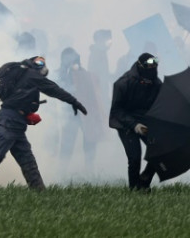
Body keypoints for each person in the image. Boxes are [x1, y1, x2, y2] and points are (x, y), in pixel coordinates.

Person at [0, 55, 88, 191]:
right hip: (9, 120)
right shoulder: (32, 76)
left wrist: (27, 111)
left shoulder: (21, 75)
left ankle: (40, 192)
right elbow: (54, 89)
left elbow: (21, 98)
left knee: (27, 159)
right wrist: (74, 101)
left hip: (15, 121)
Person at [109, 52, 162, 191]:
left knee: (160, 150)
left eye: (155, 67)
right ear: (141, 67)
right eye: (150, 68)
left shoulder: (157, 84)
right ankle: (134, 189)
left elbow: (160, 106)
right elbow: (116, 111)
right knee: (134, 158)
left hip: (146, 123)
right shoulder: (123, 83)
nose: (153, 72)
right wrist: (134, 125)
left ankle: (145, 180)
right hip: (125, 123)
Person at [57, 47, 106, 174]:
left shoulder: (86, 75)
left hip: (85, 113)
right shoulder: (62, 74)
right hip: (69, 114)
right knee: (67, 144)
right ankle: (61, 172)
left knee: (89, 142)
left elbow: (93, 94)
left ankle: (89, 170)